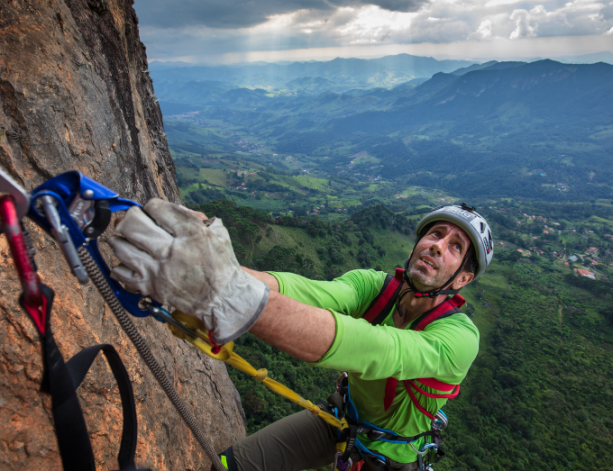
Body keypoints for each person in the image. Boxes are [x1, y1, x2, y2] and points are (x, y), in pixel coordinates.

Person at [108, 200, 494, 471]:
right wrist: (214, 265)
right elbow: (305, 290)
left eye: (454, 246)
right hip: (341, 420)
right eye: (435, 234)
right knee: (231, 465)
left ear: (462, 278)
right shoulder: (376, 287)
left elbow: (375, 349)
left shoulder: (458, 338)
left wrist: (228, 293)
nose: (436, 246)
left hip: (391, 458)